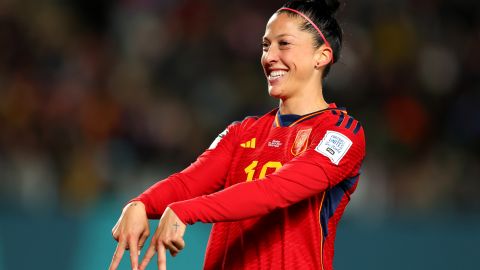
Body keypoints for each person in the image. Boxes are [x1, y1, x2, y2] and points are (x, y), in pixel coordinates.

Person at [109, 0, 366, 269]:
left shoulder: (341, 133)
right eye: (266, 46)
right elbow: (187, 184)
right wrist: (140, 204)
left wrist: (186, 210)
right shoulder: (242, 132)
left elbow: (276, 190)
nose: (269, 57)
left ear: (322, 56)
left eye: (284, 44)